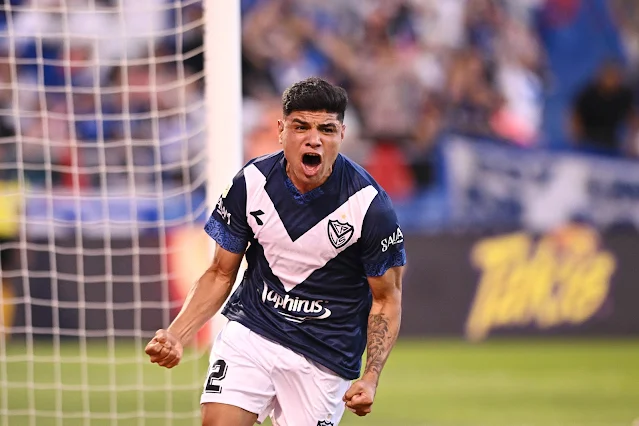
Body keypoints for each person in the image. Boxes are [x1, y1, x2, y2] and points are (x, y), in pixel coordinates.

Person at [145, 77, 406, 426]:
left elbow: (386, 299)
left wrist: (371, 376)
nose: (314, 138)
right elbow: (221, 272)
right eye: (301, 126)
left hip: (324, 355)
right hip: (253, 331)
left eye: (326, 129)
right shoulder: (251, 183)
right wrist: (177, 334)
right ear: (281, 130)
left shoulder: (369, 206)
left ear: (342, 134)